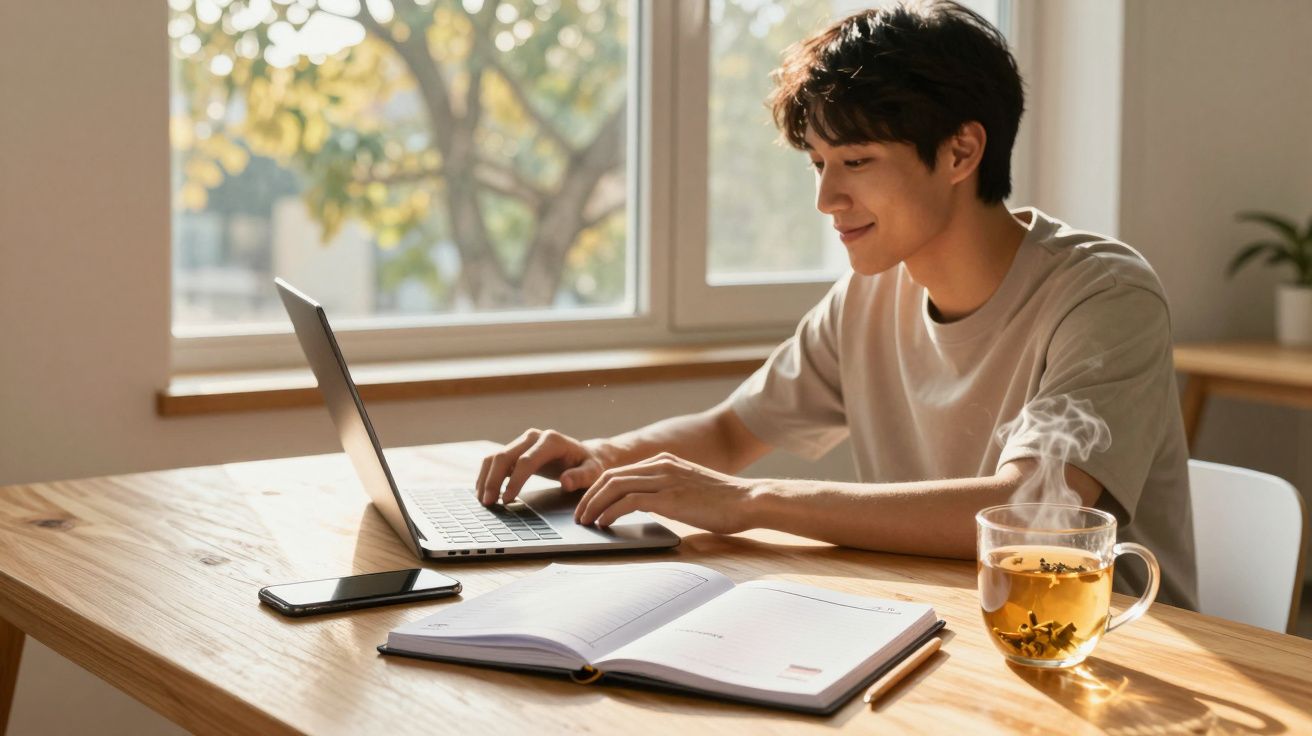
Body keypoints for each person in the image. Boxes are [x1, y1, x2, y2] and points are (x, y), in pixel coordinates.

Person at [476, 1, 1197, 609]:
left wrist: (748, 502)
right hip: (939, 622)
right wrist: (599, 459)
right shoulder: (868, 293)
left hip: (1111, 651)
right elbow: (731, 433)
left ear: (960, 152)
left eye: (855, 162)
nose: (826, 199)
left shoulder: (1104, 295)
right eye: (818, 164)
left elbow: (1030, 511)